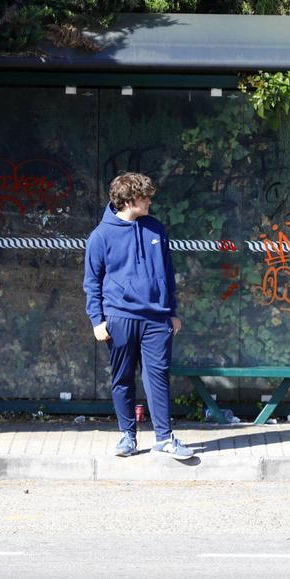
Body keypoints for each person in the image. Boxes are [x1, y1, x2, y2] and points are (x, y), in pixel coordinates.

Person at [83, 172, 193, 460]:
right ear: (129, 200)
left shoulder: (155, 228)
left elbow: (166, 272)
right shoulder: (100, 236)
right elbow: (92, 281)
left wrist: (172, 312)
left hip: (157, 319)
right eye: (145, 197)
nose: (149, 201)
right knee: (122, 377)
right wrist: (97, 320)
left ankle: (164, 438)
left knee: (157, 376)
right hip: (119, 318)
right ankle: (127, 436)